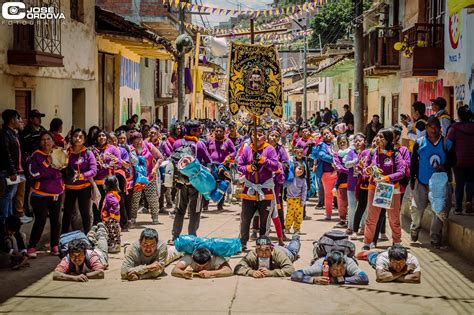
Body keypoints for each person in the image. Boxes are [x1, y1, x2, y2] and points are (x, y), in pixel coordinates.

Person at [410, 117, 452, 248]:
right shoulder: (419, 142)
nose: (433, 130)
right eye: (430, 127)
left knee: (438, 211)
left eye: (436, 127)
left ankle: (435, 239)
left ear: (440, 128)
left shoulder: (446, 143)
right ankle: (415, 228)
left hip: (439, 184)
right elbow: (413, 162)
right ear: (426, 128)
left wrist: (444, 166)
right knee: (417, 208)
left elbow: (453, 161)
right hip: (422, 181)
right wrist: (412, 179)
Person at [237, 127, 279, 251]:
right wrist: (249, 168)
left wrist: (263, 160)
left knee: (265, 219)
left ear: (265, 136)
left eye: (259, 135)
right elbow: (240, 166)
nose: (256, 137)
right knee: (245, 218)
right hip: (250, 188)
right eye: (254, 135)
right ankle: (243, 242)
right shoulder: (247, 149)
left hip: (265, 190)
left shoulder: (269, 149)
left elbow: (275, 165)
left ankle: (263, 243)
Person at [362, 129, 405, 250]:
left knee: (394, 218)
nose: (378, 139)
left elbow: (401, 172)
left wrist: (386, 178)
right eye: (378, 136)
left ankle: (397, 242)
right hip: (374, 188)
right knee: (371, 217)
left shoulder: (396, 154)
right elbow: (365, 169)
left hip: (391, 189)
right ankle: (367, 242)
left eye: (382, 137)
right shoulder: (372, 153)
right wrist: (368, 170)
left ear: (388, 140)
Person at [171, 120, 212, 243]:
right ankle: (192, 237)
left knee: (179, 210)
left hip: (181, 182)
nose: (200, 132)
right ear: (192, 131)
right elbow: (208, 161)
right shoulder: (200, 145)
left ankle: (175, 237)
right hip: (196, 184)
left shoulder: (177, 143)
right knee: (195, 211)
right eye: (198, 130)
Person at [27, 131, 64, 257]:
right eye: (43, 139)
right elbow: (34, 174)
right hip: (40, 193)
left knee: (56, 220)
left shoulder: (58, 153)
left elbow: (63, 168)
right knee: (41, 219)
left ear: (53, 141)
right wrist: (47, 162)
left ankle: (55, 245)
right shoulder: (36, 156)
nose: (46, 142)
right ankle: (32, 246)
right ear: (39, 142)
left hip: (57, 192)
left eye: (48, 139)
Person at [62, 128, 97, 234]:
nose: (77, 138)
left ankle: (88, 235)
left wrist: (81, 176)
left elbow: (93, 170)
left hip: (84, 188)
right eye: (75, 136)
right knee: (67, 213)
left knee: (85, 213)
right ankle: (63, 236)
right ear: (71, 138)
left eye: (80, 136)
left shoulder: (88, 153)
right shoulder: (66, 152)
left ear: (84, 139)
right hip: (68, 188)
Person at [130, 131, 163, 225]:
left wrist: (155, 169)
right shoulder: (130, 149)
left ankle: (155, 217)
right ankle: (133, 218)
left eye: (139, 141)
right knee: (135, 199)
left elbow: (160, 157)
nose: (138, 144)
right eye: (135, 142)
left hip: (149, 176)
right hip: (136, 178)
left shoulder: (149, 146)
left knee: (152, 198)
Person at [447, 105, 474, 215]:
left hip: (458, 161)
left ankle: (458, 207)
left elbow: (448, 145)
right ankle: (468, 201)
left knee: (459, 184)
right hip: (472, 161)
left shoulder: (454, 128)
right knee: (471, 182)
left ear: (459, 115)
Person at [92, 130, 122, 225]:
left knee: (110, 204)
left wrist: (114, 162)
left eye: (103, 135)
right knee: (96, 206)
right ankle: (97, 226)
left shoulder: (112, 148)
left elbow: (120, 163)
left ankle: (110, 226)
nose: (101, 137)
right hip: (95, 183)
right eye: (99, 136)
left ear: (107, 137)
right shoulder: (92, 150)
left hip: (109, 183)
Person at [0, 110, 23, 227]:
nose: (19, 120)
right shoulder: (5, 134)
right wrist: (12, 171)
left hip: (15, 169)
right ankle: (5, 219)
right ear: (12, 120)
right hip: (9, 171)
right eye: (17, 118)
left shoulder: (13, 133)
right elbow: (6, 154)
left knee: (11, 195)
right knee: (7, 195)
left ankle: (9, 218)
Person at [291, 251, 368, 285]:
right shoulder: (320, 266)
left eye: (342, 269)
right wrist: (313, 279)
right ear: (328, 268)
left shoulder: (349, 263)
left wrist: (339, 280)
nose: (339, 273)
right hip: (320, 258)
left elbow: (364, 278)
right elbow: (295, 274)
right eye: (334, 270)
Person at [207, 122, 235, 211]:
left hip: (223, 166)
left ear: (224, 132)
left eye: (220, 131)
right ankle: (205, 205)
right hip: (211, 166)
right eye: (217, 131)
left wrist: (228, 157)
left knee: (222, 185)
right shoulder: (210, 141)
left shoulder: (228, 141)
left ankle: (220, 205)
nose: (218, 133)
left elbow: (234, 152)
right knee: (209, 184)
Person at [343, 133, 366, 237]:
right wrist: (355, 161)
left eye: (360, 140)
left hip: (363, 185)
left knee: (363, 207)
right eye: (356, 141)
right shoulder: (351, 152)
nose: (357, 142)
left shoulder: (367, 153)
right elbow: (346, 164)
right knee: (352, 206)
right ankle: (350, 226)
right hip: (352, 184)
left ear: (364, 142)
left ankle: (363, 226)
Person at [311, 127, 337, 220]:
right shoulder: (321, 145)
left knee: (340, 193)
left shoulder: (336, 143)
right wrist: (334, 159)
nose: (326, 135)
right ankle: (328, 214)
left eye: (328, 133)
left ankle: (342, 216)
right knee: (328, 194)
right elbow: (321, 155)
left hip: (338, 172)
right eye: (324, 134)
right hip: (326, 173)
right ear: (322, 136)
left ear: (331, 133)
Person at [284, 161, 307, 235]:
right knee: (289, 215)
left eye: (302, 170)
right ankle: (287, 228)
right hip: (290, 199)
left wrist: (303, 200)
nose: (301, 171)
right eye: (299, 168)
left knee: (299, 216)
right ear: (294, 169)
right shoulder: (289, 178)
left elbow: (304, 190)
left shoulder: (303, 180)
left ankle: (297, 229)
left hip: (299, 200)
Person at [333, 134, 350, 228]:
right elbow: (339, 167)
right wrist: (349, 170)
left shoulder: (352, 153)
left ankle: (351, 220)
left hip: (352, 181)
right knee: (343, 202)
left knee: (352, 203)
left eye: (344, 142)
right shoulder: (336, 155)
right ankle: (343, 220)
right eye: (340, 143)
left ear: (347, 143)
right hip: (342, 181)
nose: (343, 144)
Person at [101, 176, 121, 253]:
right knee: (111, 232)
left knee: (113, 232)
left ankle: (115, 247)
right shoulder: (111, 194)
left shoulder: (110, 195)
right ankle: (111, 246)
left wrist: (111, 213)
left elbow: (115, 204)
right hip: (111, 219)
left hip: (111, 219)